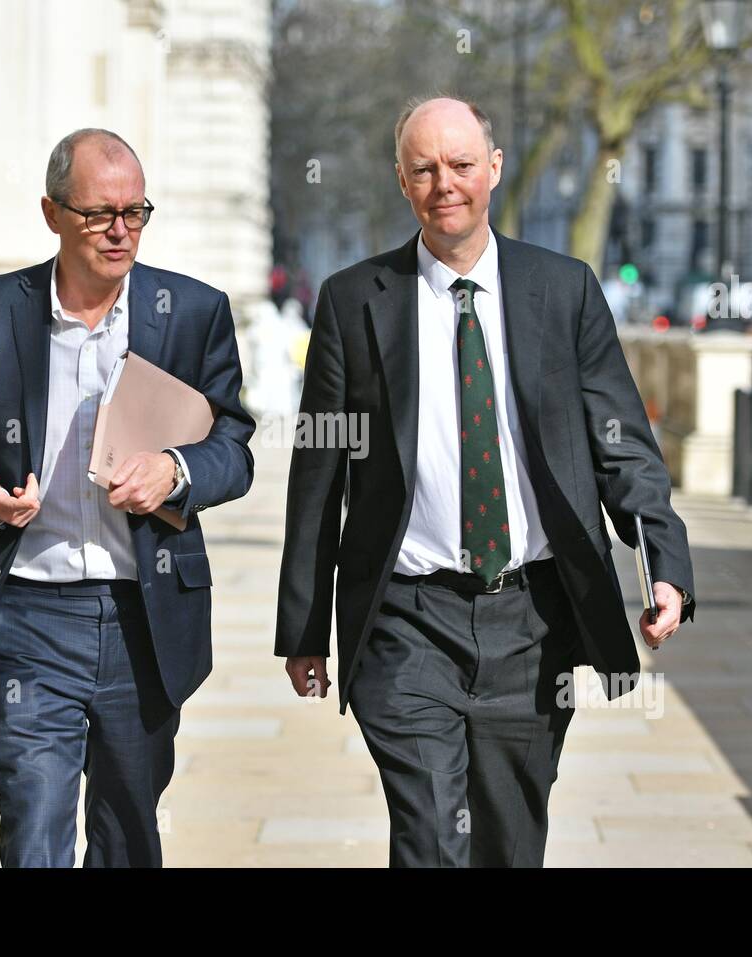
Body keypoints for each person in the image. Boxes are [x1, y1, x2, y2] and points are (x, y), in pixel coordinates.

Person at [275, 95, 695, 867]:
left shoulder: (562, 292)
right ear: (402, 181)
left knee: (507, 840)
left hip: (532, 619)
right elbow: (317, 473)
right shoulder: (351, 301)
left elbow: (622, 445)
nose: (446, 184)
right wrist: (304, 626)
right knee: (431, 835)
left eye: (462, 164)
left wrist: (664, 563)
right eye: (425, 168)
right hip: (405, 619)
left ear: (493, 170)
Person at [0, 128, 255, 867]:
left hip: (142, 616)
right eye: (99, 214)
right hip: (25, 616)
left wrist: (176, 470)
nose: (120, 231)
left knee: (127, 834)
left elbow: (234, 449)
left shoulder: (193, 311)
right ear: (51, 213)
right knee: (34, 825)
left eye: (135, 212)